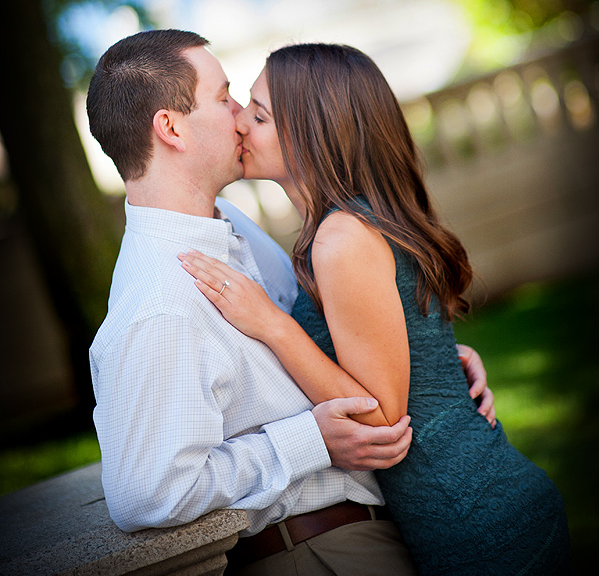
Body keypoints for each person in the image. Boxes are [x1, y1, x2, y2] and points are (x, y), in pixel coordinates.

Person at [87, 29, 494, 576]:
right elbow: (147, 492)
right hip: (313, 552)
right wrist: (307, 443)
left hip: (375, 528)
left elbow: (317, 339)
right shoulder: (159, 302)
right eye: (225, 96)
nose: (239, 115)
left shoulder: (233, 227)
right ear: (171, 128)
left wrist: (426, 364)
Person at [181, 42, 571, 576]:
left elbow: (382, 421)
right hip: (478, 501)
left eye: (260, 113)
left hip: (474, 519)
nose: (241, 124)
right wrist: (441, 356)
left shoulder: (341, 236)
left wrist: (270, 324)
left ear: (316, 134)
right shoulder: (354, 222)